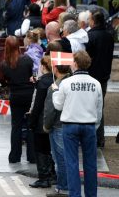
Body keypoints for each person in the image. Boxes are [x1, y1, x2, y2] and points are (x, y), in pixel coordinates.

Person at [52, 50, 103, 197]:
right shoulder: (96, 84)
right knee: (90, 164)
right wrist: (95, 125)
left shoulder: (66, 83)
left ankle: (75, 194)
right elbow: (99, 109)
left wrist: (55, 92)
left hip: (70, 125)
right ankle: (91, 194)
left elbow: (58, 106)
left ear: (75, 64)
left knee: (72, 163)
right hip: (89, 125)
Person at [1, 36, 35, 163]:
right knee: (30, 125)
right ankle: (32, 156)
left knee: (16, 126)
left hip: (15, 96)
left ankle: (14, 156)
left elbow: (4, 81)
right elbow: (31, 75)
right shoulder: (27, 60)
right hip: (29, 95)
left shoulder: (5, 64)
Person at [85, 11, 114, 148]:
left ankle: (93, 138)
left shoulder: (90, 36)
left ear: (93, 21)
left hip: (92, 75)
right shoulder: (109, 36)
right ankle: (99, 138)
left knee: (90, 107)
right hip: (104, 76)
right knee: (99, 106)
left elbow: (87, 57)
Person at [44, 56, 72, 197]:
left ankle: (63, 187)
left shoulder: (56, 86)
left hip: (58, 125)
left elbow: (50, 110)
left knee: (60, 158)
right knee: (69, 158)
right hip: (72, 123)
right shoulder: (72, 83)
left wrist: (46, 126)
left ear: (55, 68)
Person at [28, 56, 55, 188]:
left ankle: (43, 177)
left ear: (43, 67)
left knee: (41, 149)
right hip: (54, 120)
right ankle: (52, 175)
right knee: (51, 149)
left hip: (41, 121)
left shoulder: (43, 82)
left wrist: (31, 121)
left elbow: (37, 105)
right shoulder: (57, 80)